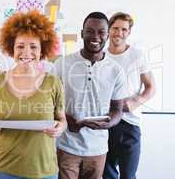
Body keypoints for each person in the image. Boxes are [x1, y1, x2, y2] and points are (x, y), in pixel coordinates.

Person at [0, 10, 67, 179]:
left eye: (33, 46)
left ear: (42, 50)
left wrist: (60, 128)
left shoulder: (53, 82)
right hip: (4, 169)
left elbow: (61, 119)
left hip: (43, 170)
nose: (26, 52)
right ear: (11, 48)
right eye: (20, 46)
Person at [52, 11, 127, 179]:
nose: (95, 36)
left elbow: (118, 110)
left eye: (101, 32)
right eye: (90, 31)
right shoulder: (62, 64)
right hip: (67, 146)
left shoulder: (116, 70)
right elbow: (50, 102)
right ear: (81, 33)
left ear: (107, 35)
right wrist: (65, 119)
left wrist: (108, 123)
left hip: (98, 149)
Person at [103, 12, 155, 179]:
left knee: (128, 175)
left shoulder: (137, 55)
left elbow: (151, 87)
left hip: (130, 124)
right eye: (116, 28)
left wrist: (134, 103)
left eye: (124, 29)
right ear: (109, 30)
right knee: (107, 173)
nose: (119, 33)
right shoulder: (101, 56)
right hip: (107, 122)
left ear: (129, 32)